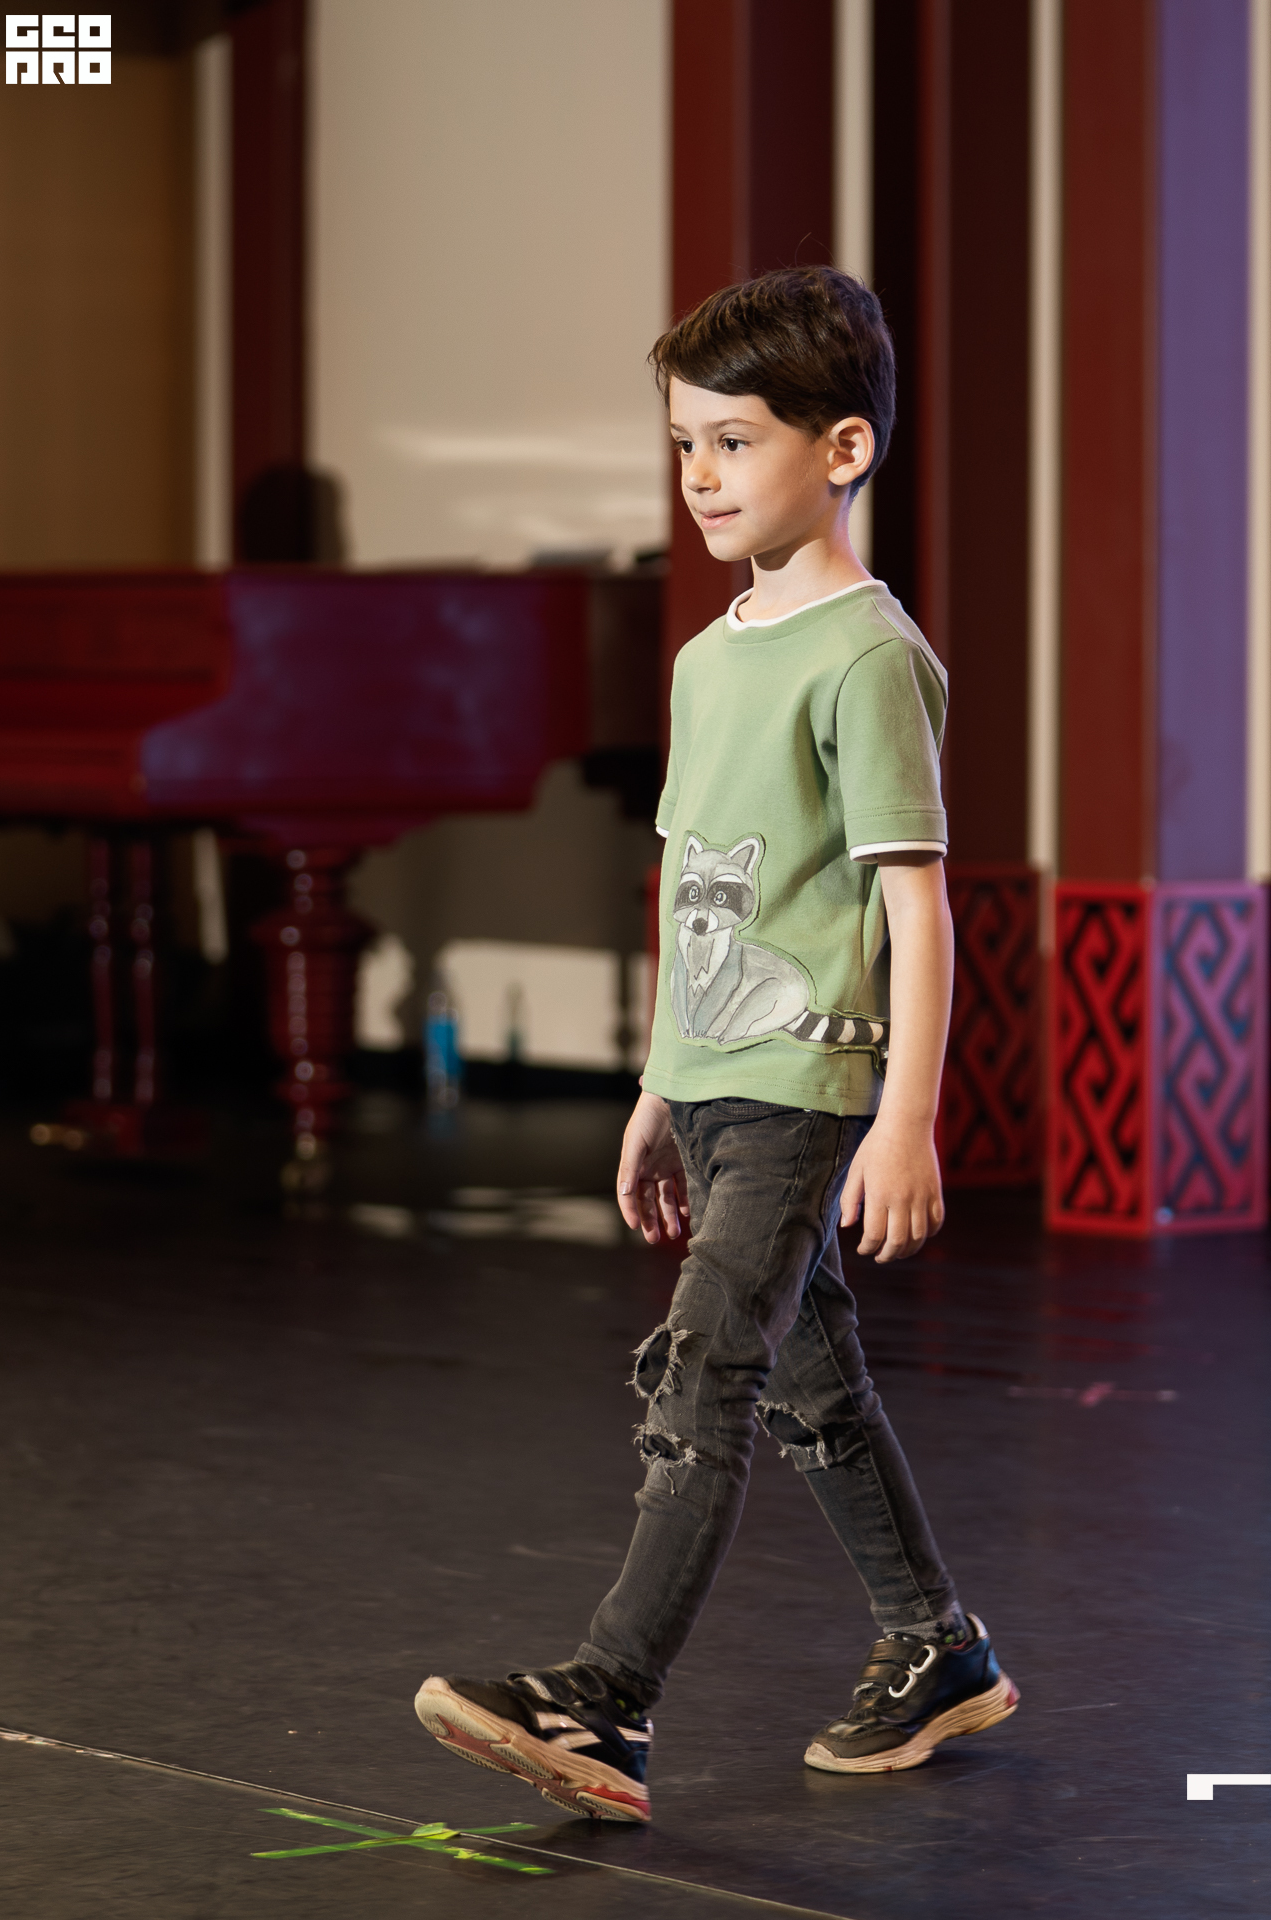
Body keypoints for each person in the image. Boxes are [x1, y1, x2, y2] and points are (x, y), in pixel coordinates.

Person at [416, 266, 1018, 1824]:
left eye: (735, 441)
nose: (699, 475)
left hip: (806, 1084)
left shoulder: (867, 658)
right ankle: (937, 1646)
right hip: (711, 1084)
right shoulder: (705, 658)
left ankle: (606, 1701)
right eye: (684, 443)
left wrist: (906, 1116)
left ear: (843, 449)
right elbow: (697, 888)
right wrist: (654, 1087)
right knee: (814, 1389)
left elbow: (916, 909)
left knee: (706, 1374)